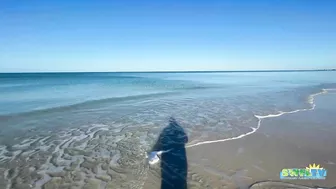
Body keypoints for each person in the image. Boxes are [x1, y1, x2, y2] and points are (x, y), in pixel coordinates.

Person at [151, 117, 188, 189]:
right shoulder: (180, 129)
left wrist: (154, 151)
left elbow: (159, 141)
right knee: (180, 180)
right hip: (179, 154)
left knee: (167, 178)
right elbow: (186, 139)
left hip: (168, 155)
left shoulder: (165, 130)